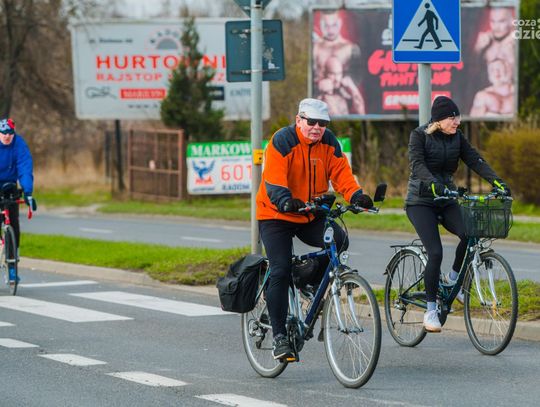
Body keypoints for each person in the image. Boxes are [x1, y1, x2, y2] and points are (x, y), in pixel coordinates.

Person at [256, 98, 373, 360]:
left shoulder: (329, 142)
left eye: (323, 123)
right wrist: (284, 199)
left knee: (339, 240)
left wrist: (356, 196)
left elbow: (342, 175)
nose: (317, 127)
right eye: (312, 122)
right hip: (276, 214)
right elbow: (273, 179)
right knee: (281, 268)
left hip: (309, 213)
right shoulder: (282, 141)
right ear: (299, 120)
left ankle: (307, 281)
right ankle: (279, 338)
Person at [405, 96, 510, 333]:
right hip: (420, 202)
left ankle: (453, 279)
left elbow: (475, 160)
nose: (457, 122)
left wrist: (498, 182)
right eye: (452, 118)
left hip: (447, 198)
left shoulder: (457, 138)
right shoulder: (419, 136)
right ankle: (430, 310)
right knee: (435, 252)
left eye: (458, 117)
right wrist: (432, 184)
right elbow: (417, 165)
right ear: (439, 120)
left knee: (469, 233)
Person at [0, 118, 37, 283]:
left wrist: (28, 193)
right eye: (3, 133)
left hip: (9, 184)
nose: (7, 136)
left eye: (10, 133)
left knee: (13, 224)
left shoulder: (19, 145)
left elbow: (25, 168)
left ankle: (12, 265)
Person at [313, 10, 361, 86]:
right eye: (326, 26)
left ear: (340, 23)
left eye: (334, 25)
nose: (330, 30)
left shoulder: (351, 48)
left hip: (344, 92)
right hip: (319, 92)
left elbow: (358, 77)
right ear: (320, 25)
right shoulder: (315, 48)